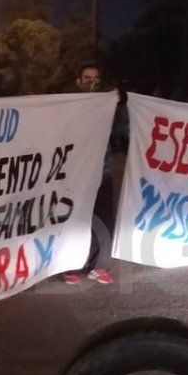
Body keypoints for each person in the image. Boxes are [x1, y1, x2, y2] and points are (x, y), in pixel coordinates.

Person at [63, 64, 114, 285]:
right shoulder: (68, 106)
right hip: (79, 173)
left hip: (103, 171)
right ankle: (75, 266)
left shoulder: (107, 105)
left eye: (95, 79)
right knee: (77, 220)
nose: (91, 83)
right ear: (78, 81)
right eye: (86, 78)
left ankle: (99, 266)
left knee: (102, 219)